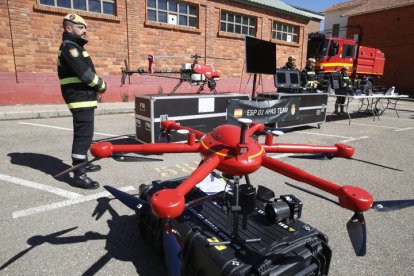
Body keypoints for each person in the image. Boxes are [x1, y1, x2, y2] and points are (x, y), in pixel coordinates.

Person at [57, 14, 107, 189]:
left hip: (83, 96)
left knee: (86, 133)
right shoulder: (70, 48)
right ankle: (79, 174)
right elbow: (84, 74)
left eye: (85, 27)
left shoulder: (74, 46)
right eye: (80, 27)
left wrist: (95, 90)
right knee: (83, 135)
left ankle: (83, 163)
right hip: (79, 97)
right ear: (68, 28)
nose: (84, 30)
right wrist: (101, 85)